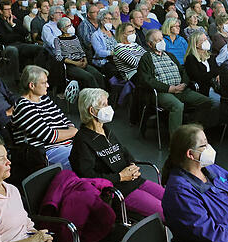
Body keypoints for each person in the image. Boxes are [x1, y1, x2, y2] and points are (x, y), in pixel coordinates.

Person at [69, 88, 165, 219]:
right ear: (92, 111)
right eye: (104, 105)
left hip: (135, 180)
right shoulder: (82, 140)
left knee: (173, 201)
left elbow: (123, 152)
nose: (109, 108)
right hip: (119, 191)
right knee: (166, 212)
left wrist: (133, 166)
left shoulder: (105, 130)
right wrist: (120, 177)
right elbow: (88, 178)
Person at [136, 29, 215, 135]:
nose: (161, 42)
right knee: (177, 106)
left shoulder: (170, 55)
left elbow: (183, 71)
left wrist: (184, 84)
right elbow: (147, 80)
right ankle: (176, 141)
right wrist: (169, 88)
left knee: (206, 101)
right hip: (162, 92)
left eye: (162, 39)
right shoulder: (146, 58)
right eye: (157, 40)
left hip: (181, 89)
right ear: (150, 44)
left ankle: (191, 129)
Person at [11, 65, 77, 168]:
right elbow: (50, 136)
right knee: (84, 161)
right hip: (46, 153)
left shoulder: (44, 99)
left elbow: (65, 119)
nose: (48, 85)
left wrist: (70, 131)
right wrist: (73, 132)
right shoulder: (23, 107)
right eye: (43, 83)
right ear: (32, 86)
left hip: (66, 146)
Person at [53, 17, 104, 90]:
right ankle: (96, 95)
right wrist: (75, 63)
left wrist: (85, 59)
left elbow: (81, 50)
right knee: (89, 77)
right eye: (68, 26)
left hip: (81, 61)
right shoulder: (57, 40)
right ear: (62, 29)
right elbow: (58, 57)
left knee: (98, 75)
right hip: (70, 65)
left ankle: (103, 94)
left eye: (71, 25)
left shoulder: (75, 37)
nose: (71, 27)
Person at [184, 31, 220, 98]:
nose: (206, 41)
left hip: (215, 87)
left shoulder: (210, 56)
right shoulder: (191, 58)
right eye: (203, 40)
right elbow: (198, 77)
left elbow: (217, 70)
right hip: (203, 89)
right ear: (196, 44)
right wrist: (214, 74)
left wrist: (215, 74)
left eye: (206, 39)